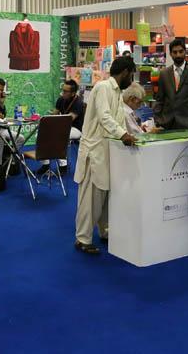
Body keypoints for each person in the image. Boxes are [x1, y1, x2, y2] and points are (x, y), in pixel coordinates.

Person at [73, 57, 137, 255]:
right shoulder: (103, 87)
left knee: (105, 196)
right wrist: (123, 135)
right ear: (125, 72)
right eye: (131, 75)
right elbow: (104, 117)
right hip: (94, 151)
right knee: (90, 198)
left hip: (107, 151)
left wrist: (129, 133)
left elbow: (118, 120)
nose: (131, 80)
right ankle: (82, 239)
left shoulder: (117, 92)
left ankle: (105, 232)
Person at [154, 38, 188, 131]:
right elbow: (159, 100)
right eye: (175, 52)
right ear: (170, 54)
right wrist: (158, 120)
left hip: (187, 124)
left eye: (181, 51)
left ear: (185, 52)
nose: (178, 55)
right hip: (166, 124)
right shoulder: (164, 74)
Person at [38, 79, 84, 175]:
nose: (62, 93)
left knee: (58, 135)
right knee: (42, 133)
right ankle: (45, 165)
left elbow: (68, 119)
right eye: (63, 90)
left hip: (76, 129)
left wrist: (55, 123)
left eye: (65, 91)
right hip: (62, 126)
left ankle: (63, 166)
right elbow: (54, 114)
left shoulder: (78, 103)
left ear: (73, 93)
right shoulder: (60, 100)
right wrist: (47, 118)